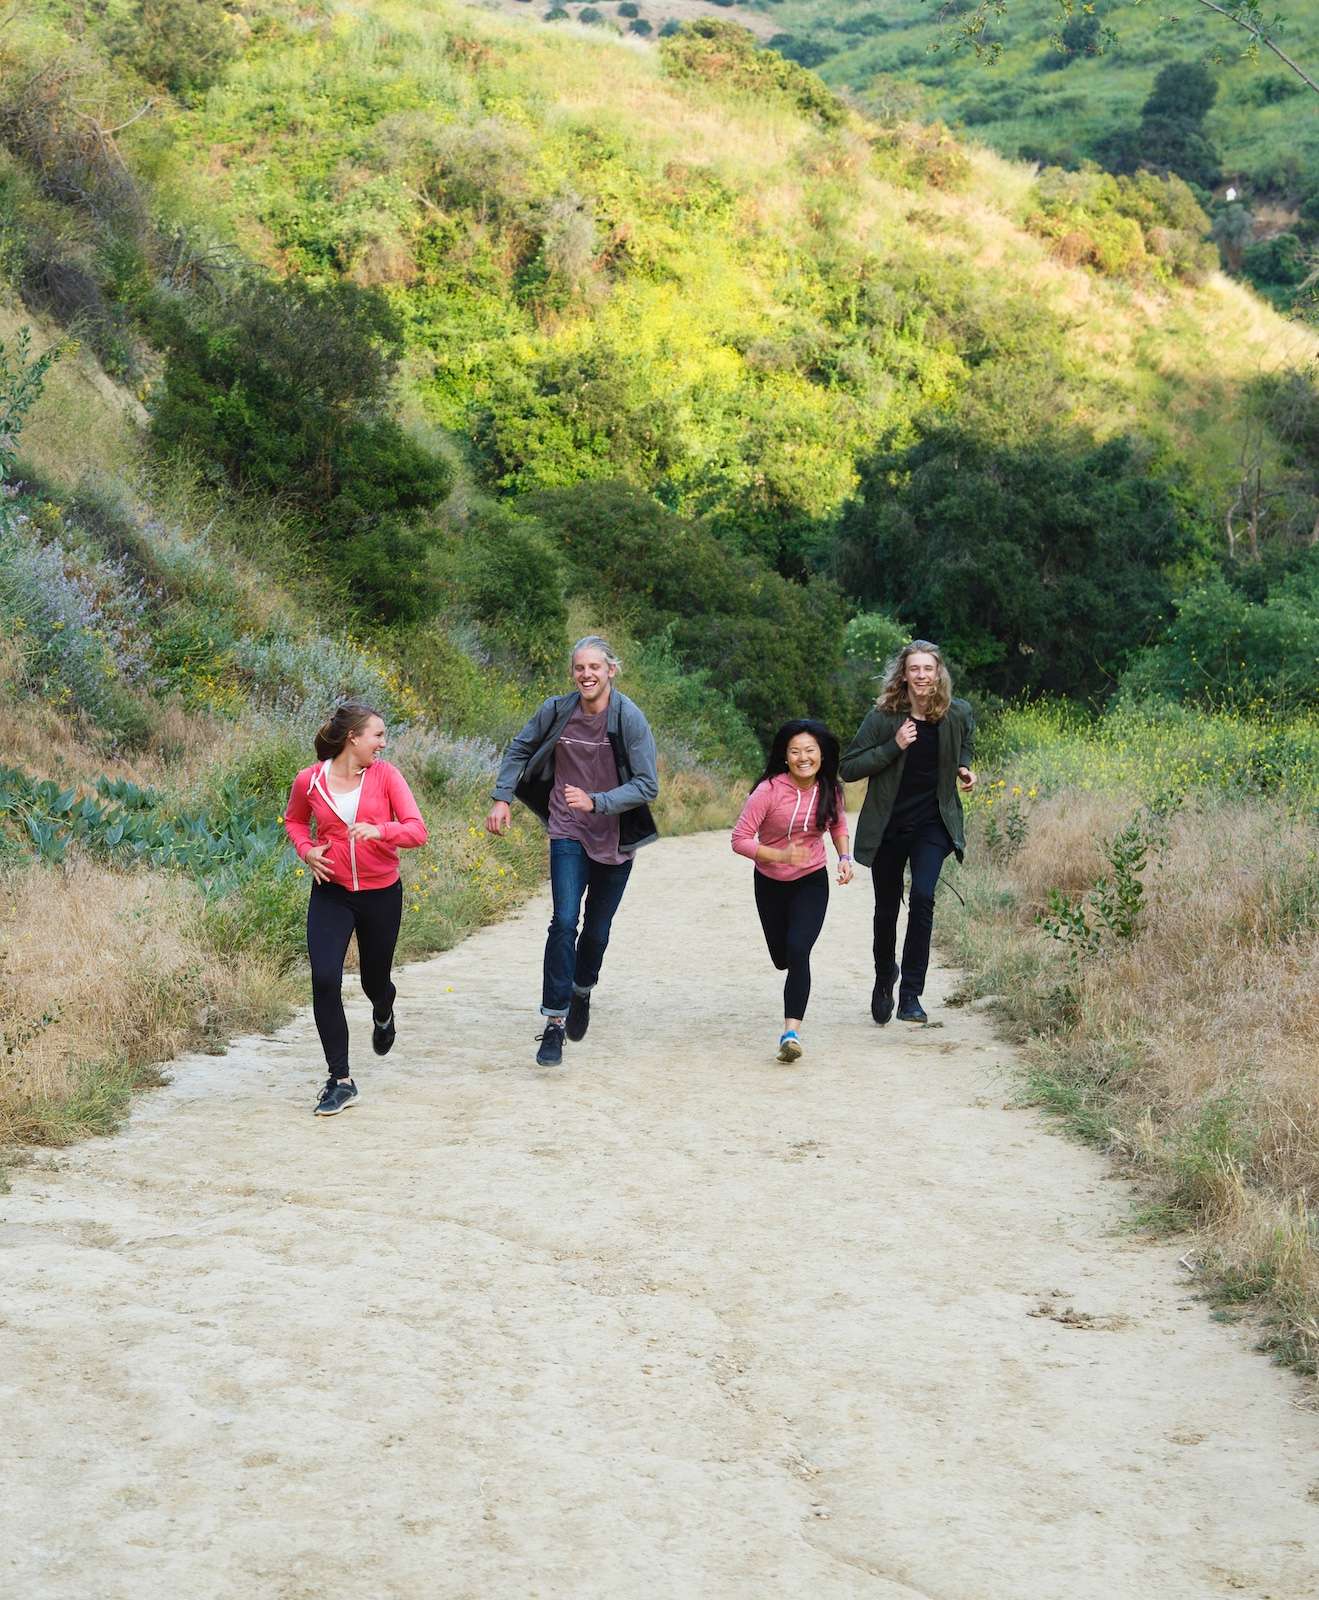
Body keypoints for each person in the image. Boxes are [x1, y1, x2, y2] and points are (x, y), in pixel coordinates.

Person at [485, 636, 659, 1068]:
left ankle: (582, 989)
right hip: (567, 830)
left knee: (596, 933)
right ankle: (554, 1022)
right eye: (579, 667)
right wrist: (502, 797)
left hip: (615, 841)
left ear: (611, 671)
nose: (586, 674)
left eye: (595, 667)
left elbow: (647, 784)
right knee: (564, 921)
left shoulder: (629, 719)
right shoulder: (556, 711)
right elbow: (520, 748)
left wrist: (598, 802)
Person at [284, 702, 428, 1115]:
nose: (383, 743)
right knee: (325, 978)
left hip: (382, 893)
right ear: (354, 738)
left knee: (373, 981)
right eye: (377, 735)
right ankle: (341, 1079)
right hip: (331, 891)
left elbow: (418, 831)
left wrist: (380, 830)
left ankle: (384, 1009)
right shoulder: (309, 781)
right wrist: (307, 850)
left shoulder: (386, 776)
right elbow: (294, 821)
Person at [840, 640, 976, 1027]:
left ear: (938, 673)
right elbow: (848, 768)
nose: (921, 675)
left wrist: (964, 768)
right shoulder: (883, 717)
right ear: (904, 674)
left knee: (922, 896)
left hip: (933, 824)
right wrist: (893, 746)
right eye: (914, 669)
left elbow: (965, 742)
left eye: (928, 669)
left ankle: (911, 995)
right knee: (886, 911)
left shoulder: (956, 713)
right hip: (888, 826)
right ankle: (886, 976)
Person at [732, 719, 853, 1063]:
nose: (803, 757)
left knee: (799, 950)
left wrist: (844, 856)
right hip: (770, 882)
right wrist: (780, 855)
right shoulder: (768, 791)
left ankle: (791, 1033)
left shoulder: (831, 788)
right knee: (782, 957)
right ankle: (787, 965)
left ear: (821, 754)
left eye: (810, 750)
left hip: (811, 879)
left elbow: (839, 823)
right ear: (785, 757)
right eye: (795, 751)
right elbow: (739, 840)